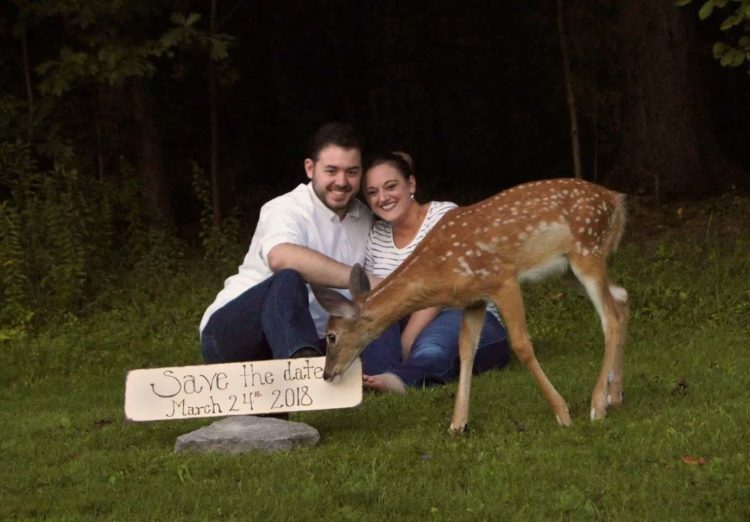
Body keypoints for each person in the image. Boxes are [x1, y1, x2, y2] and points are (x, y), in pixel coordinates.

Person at [199, 123, 374, 364]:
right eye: (331, 171)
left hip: (315, 338)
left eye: (352, 172)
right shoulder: (285, 208)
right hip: (233, 335)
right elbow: (280, 257)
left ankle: (305, 359)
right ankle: (301, 369)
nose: (342, 181)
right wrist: (361, 279)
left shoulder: (365, 218)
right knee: (289, 276)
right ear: (310, 168)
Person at [359, 152, 511, 393]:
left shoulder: (444, 216)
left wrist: (407, 339)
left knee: (432, 348)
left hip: (464, 313)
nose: (383, 198)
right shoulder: (376, 236)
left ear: (411, 184)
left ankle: (400, 379)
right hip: (402, 320)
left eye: (390, 186)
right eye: (373, 192)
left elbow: (441, 287)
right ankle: (378, 379)